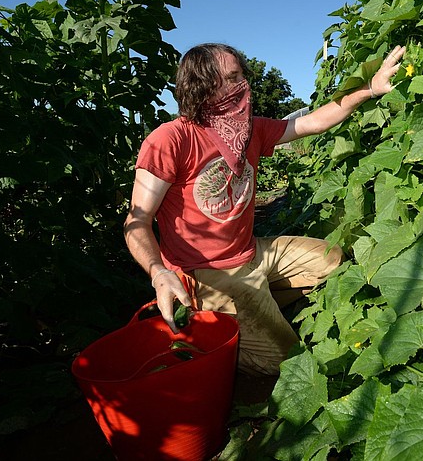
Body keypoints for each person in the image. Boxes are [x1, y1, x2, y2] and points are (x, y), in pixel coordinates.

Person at [123, 43, 405, 375]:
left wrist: (369, 89)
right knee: (285, 364)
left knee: (330, 259)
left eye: (241, 76)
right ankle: (211, 333)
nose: (243, 86)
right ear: (201, 85)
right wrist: (159, 272)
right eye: (230, 78)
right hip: (206, 271)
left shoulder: (249, 130)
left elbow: (311, 123)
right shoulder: (170, 139)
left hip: (252, 252)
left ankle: (242, 313)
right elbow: (137, 220)